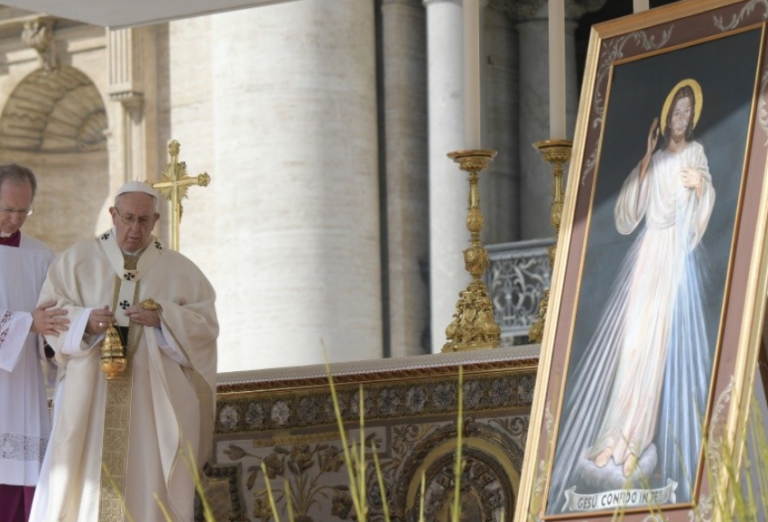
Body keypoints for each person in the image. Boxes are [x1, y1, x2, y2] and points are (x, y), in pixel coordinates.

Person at [547, 79, 715, 513]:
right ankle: (611, 439)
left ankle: (635, 442)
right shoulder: (656, 159)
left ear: (692, 119)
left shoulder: (695, 156)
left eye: (685, 113)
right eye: (674, 113)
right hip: (645, 256)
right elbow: (629, 214)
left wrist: (700, 187)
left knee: (654, 349)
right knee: (632, 347)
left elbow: (705, 203)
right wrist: (644, 162)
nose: (679, 119)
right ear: (665, 119)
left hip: (672, 258)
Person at [29, 181, 219, 522]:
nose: (135, 229)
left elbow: (205, 329)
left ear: (156, 219)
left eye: (144, 220)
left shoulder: (181, 271)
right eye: (128, 218)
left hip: (151, 402)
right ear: (113, 215)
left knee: (145, 483)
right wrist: (85, 322)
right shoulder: (76, 260)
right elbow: (50, 317)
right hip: (89, 398)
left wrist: (163, 320)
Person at [0, 164, 69, 522]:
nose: (15, 218)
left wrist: (51, 339)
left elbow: (55, 318)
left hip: (25, 388)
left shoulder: (42, 257)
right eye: (8, 209)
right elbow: (33, 319)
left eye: (23, 210)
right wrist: (29, 323)